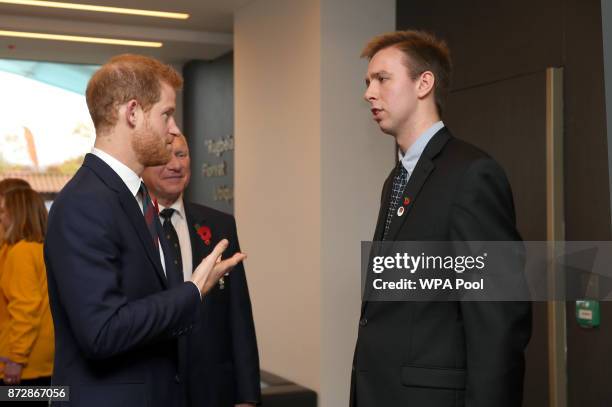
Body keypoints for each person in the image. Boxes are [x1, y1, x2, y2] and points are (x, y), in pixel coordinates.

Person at [44, 54, 246, 407]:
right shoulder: (84, 203)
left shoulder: (134, 198)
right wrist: (193, 291)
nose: (173, 129)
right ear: (133, 113)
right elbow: (102, 332)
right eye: (166, 114)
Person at [351, 30, 532, 407]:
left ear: (424, 83)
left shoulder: (471, 174)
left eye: (382, 79)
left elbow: (497, 321)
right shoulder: (396, 181)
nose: (369, 92)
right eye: (368, 82)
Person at [142, 134, 261, 407]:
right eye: (164, 156)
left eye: (182, 155)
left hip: (212, 389)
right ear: (143, 165)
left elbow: (239, 315)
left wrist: (247, 396)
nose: (175, 165)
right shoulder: (129, 227)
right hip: (152, 389)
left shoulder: (220, 225)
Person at [0, 186, 54, 405]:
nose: (0, 217)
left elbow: (25, 307)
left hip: (24, 365)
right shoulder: (42, 248)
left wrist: (16, 358)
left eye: (3, 211)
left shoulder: (20, 252)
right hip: (46, 359)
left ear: (17, 214)